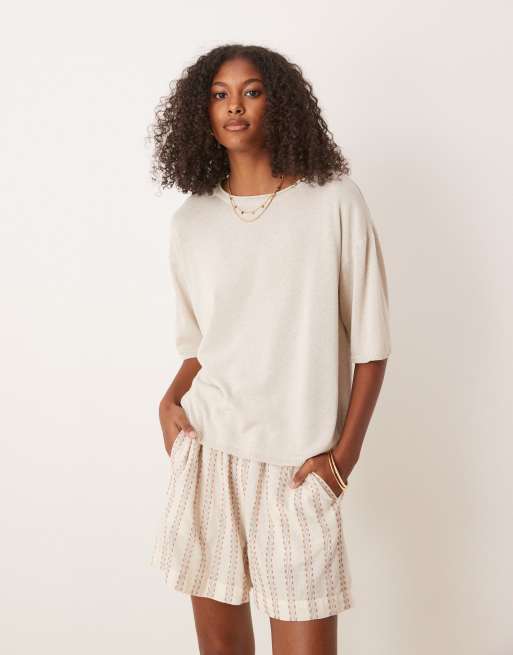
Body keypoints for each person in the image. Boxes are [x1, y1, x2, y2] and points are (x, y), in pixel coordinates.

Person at [149, 43, 392, 654]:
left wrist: (342, 461)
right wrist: (168, 402)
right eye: (220, 95)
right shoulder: (190, 223)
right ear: (201, 111)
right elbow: (200, 348)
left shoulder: (334, 200)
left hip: (298, 467)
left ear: (277, 103)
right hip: (210, 454)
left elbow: (372, 345)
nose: (235, 106)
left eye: (251, 91)